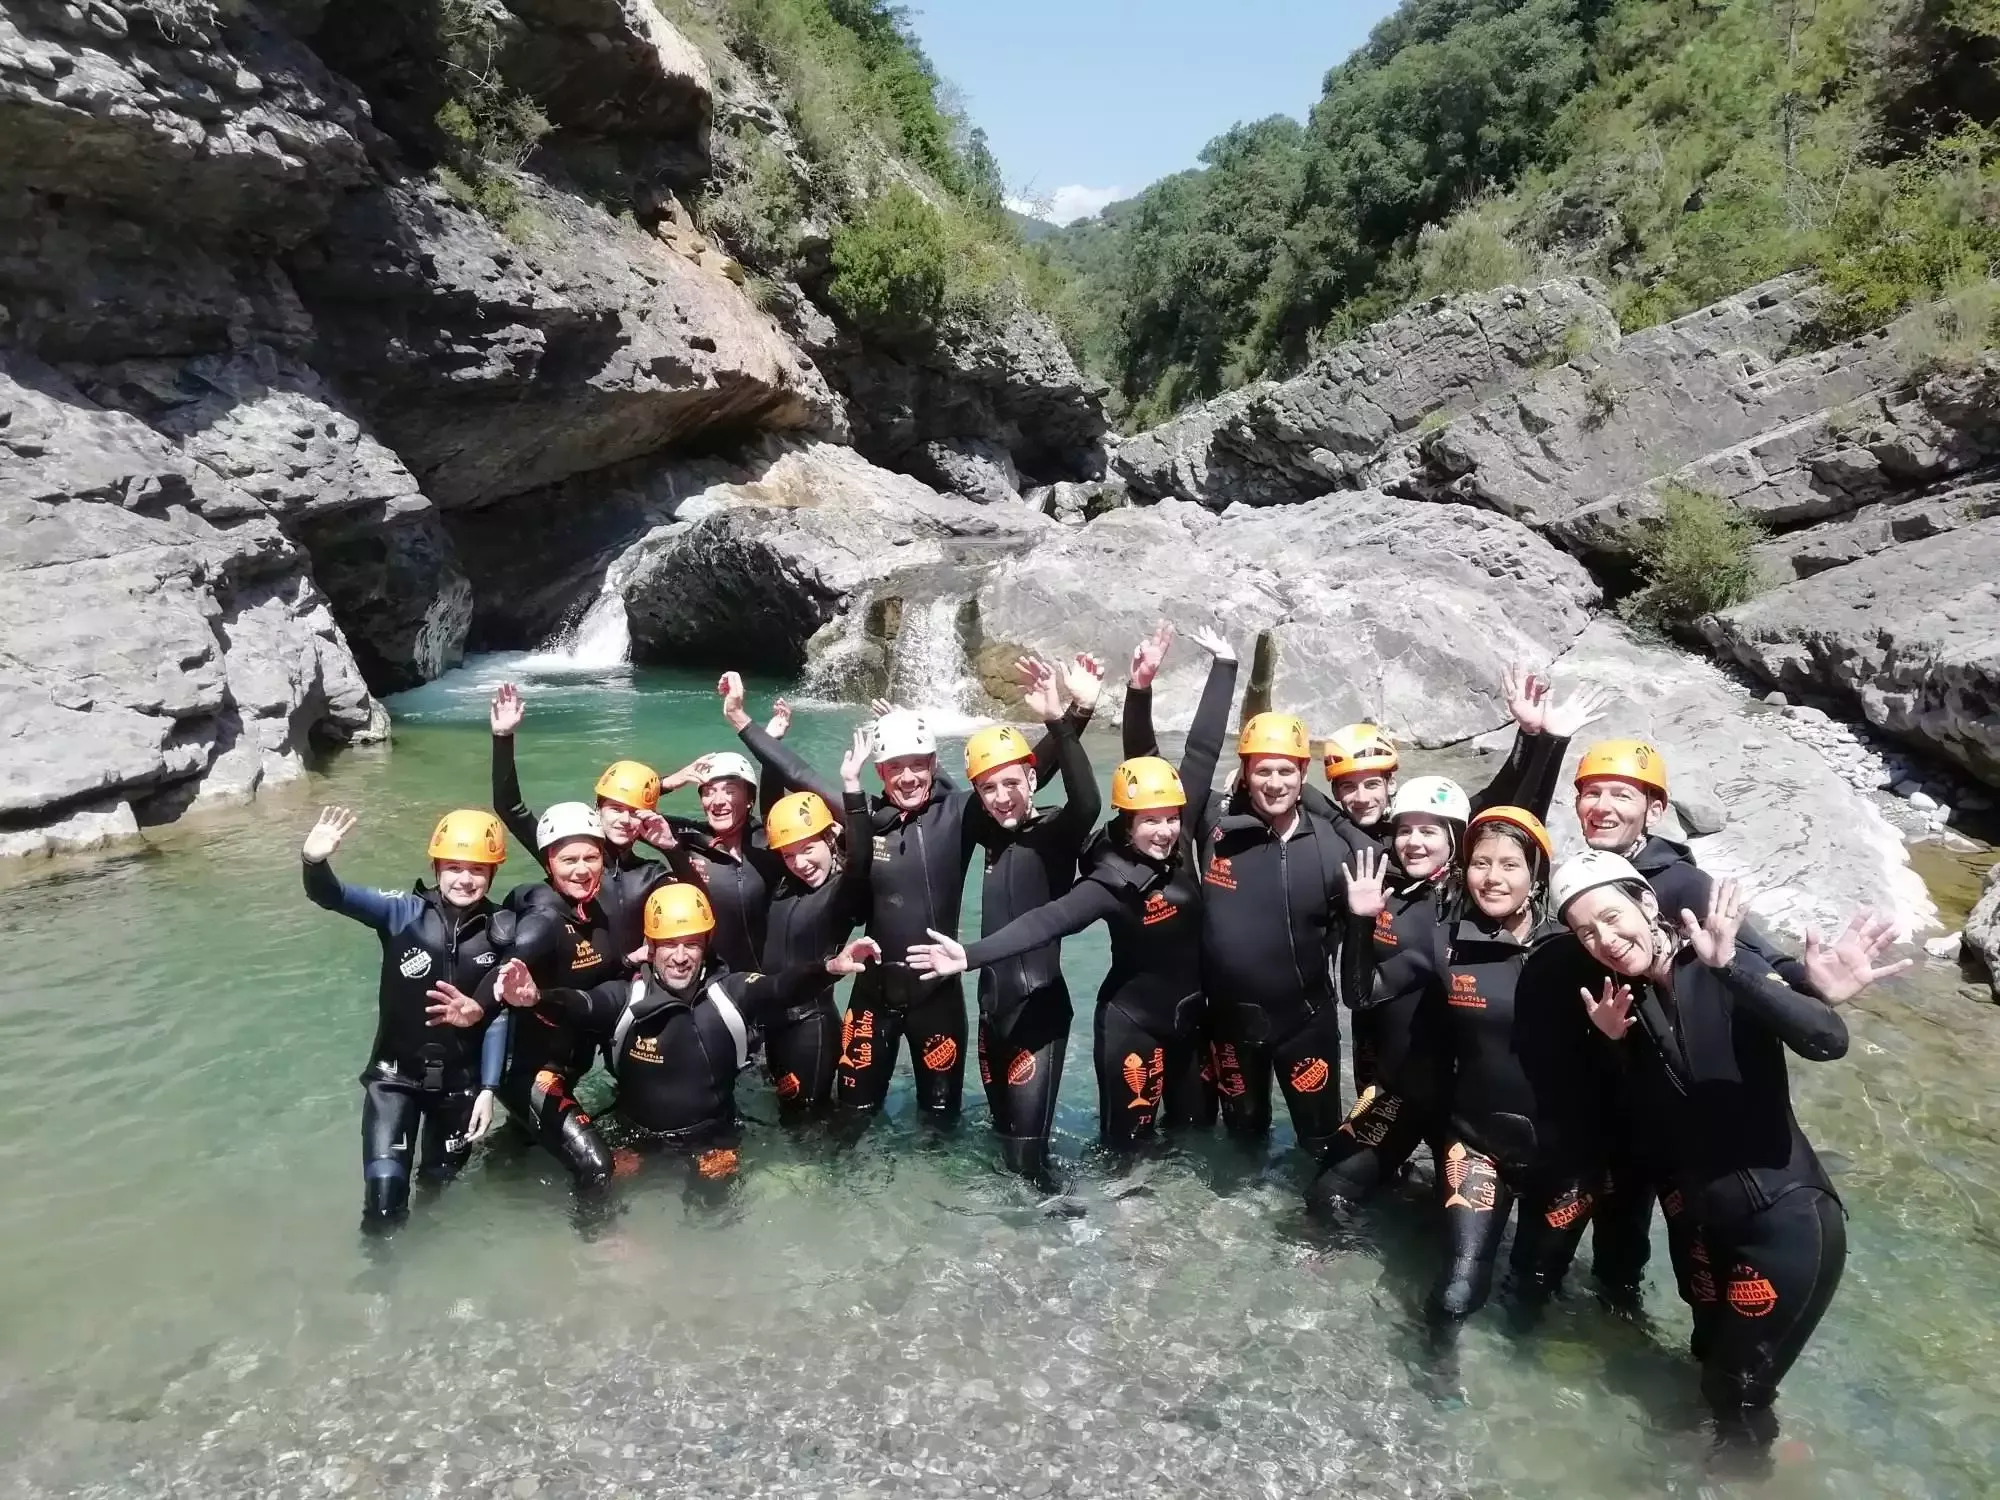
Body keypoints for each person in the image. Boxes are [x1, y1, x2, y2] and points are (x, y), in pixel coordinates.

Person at [1553, 850, 1907, 1449]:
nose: (1605, 940)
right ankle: (1742, 1467)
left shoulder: (1717, 964)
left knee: (1735, 1395)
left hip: (1785, 1223)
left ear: (1647, 904)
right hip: (1710, 1224)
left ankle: (1743, 1478)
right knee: (1708, 1363)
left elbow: (1827, 1040)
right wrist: (1614, 1044)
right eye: (1586, 933)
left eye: (1612, 918)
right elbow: (1658, 1119)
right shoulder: (1633, 1003)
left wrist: (1735, 969)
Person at [907, 632, 1237, 1149]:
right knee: (1059, 1149)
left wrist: (1223, 663)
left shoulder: (1153, 830)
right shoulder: (1106, 875)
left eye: (1170, 818)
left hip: (1176, 1019)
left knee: (1191, 1144)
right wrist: (969, 956)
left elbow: (1196, 753)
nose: (1163, 829)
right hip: (1092, 1017)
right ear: (1128, 821)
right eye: (1149, 820)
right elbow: (1050, 916)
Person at [721, 664, 1089, 1119]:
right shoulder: (863, 817)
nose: (908, 777)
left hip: (936, 998)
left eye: (918, 765)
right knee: (852, 1115)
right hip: (871, 997)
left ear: (934, 766)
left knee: (940, 1120)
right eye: (896, 767)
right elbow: (796, 770)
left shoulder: (959, 815)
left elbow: (1017, 773)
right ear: (880, 772)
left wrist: (1075, 713)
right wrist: (740, 720)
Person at [1569, 738, 1820, 1301]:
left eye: (1621, 795)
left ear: (1654, 811)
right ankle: (1619, 1326)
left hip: (1682, 1120)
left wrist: (1812, 983)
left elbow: (1761, 962)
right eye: (1591, 794)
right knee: (1617, 1250)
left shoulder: (1683, 886)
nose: (1602, 807)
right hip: (1623, 1102)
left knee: (1698, 1268)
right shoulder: (1586, 884)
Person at [1367, 806, 1607, 1322]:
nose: (1492, 878)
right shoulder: (1447, 942)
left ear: (1536, 873)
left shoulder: (1578, 947)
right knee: (1455, 1292)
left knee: (1534, 1290)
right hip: (1476, 1144)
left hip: (1569, 1158)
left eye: (1509, 865)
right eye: (1481, 863)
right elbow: (1363, 994)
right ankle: (1433, 1371)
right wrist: (1357, 921)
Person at [490, 886, 879, 1177]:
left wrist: (828, 968)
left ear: (706, 944)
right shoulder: (626, 998)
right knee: (603, 1194)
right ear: (650, 946)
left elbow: (780, 987)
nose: (680, 957)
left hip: (713, 1140)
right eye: (669, 945)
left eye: (691, 944)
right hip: (635, 1138)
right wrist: (536, 997)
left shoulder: (732, 993)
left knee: (714, 1218)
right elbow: (581, 1004)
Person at [299, 806, 512, 1233]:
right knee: (383, 1204)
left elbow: (498, 1015)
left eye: (477, 869)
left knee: (437, 1195)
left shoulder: (503, 930)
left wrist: (488, 1090)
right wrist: (313, 862)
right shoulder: (401, 911)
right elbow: (332, 895)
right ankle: (380, 1274)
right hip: (393, 1082)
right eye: (453, 867)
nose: (465, 879)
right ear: (436, 867)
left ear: (492, 873)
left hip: (461, 1087)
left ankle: (429, 1270)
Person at [648, 728, 876, 1114]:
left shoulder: (839, 892)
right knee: (785, 1115)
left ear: (832, 838)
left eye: (809, 849)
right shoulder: (787, 885)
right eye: (789, 854)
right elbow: (775, 815)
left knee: (809, 1124)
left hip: (809, 1023)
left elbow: (860, 859)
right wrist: (670, 786)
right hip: (769, 1016)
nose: (800, 862)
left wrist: (852, 788)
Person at [962, 655, 1103, 1184]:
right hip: (990, 1012)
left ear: (1032, 779)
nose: (1002, 798)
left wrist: (1063, 718)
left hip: (1037, 1011)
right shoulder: (991, 834)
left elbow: (1088, 802)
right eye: (988, 788)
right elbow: (1007, 774)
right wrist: (1074, 713)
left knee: (1027, 1158)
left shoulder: (1054, 833)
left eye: (1012, 784)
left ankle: (1067, 1223)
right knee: (1002, 1143)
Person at [479, 801, 625, 1192]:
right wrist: (475, 1008)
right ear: (548, 863)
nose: (582, 870)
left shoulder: (594, 912)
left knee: (525, 1139)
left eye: (591, 857)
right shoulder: (543, 920)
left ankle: (498, 1180)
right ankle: (597, 1234)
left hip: (567, 1066)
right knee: (597, 1167)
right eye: (568, 860)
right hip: (533, 1074)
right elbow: (504, 973)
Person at [489, 682, 666, 958]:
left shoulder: (652, 873)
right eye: (615, 808)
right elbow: (510, 808)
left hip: (630, 978)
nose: (624, 819)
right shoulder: (568, 854)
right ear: (597, 809)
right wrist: (503, 738)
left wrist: (672, 849)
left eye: (634, 812)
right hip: (581, 977)